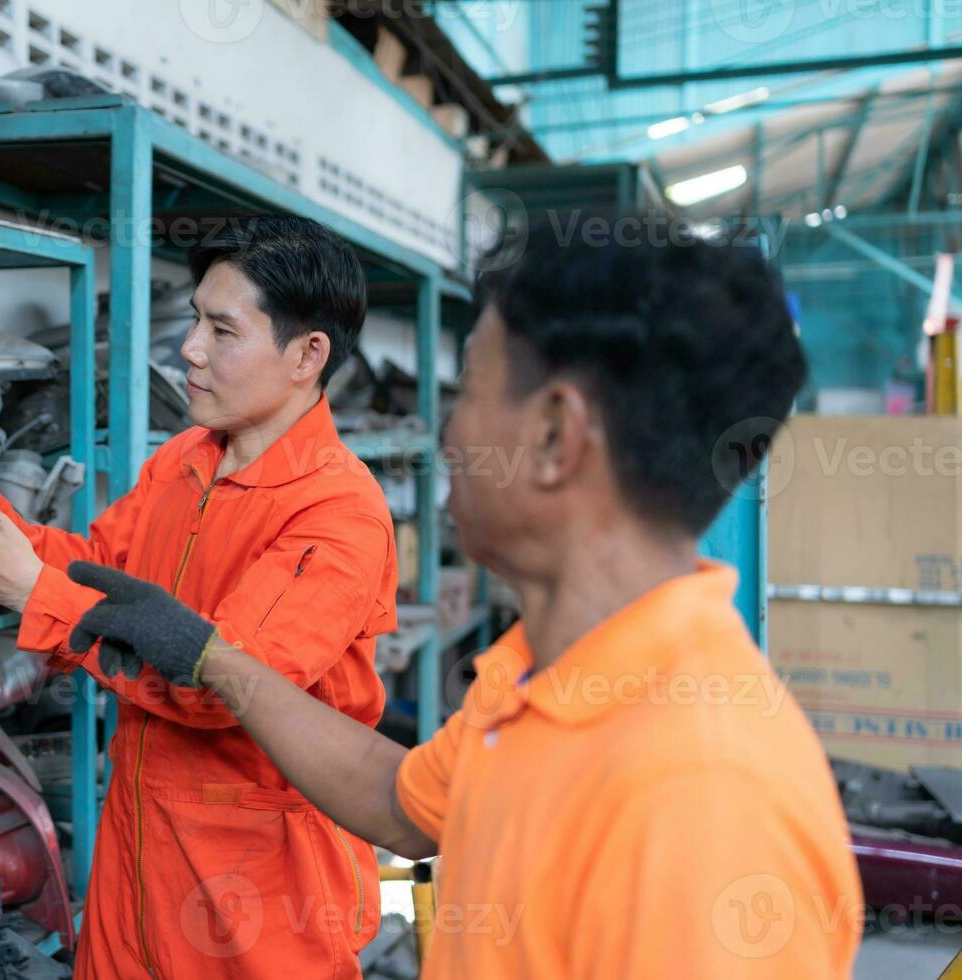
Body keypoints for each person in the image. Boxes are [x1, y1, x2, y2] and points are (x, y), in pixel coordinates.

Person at [59, 218, 864, 978]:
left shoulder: (703, 795)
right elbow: (397, 802)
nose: (445, 435)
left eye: (471, 388)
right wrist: (216, 660)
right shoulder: (540, 679)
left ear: (555, 437)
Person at [0, 214, 398, 978]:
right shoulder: (187, 459)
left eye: (221, 330)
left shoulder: (335, 514)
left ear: (308, 354)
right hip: (137, 866)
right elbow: (96, 568)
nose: (189, 349)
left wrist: (30, 588)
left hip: (257, 900)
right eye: (195, 319)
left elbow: (226, 685)